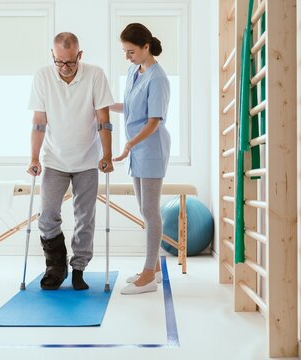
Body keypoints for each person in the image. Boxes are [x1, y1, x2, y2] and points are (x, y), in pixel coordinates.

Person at [27, 32, 114, 290]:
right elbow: (39, 122)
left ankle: (78, 268)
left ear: (80, 56)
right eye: (59, 62)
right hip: (54, 159)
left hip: (88, 160)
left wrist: (107, 154)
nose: (65, 68)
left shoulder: (95, 75)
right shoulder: (43, 76)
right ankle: (56, 265)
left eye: (70, 62)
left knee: (84, 217)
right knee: (47, 216)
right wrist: (34, 156)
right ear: (53, 56)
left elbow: (104, 120)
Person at [110, 23, 171, 295]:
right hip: (137, 149)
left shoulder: (158, 78)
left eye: (131, 51)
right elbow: (130, 107)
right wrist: (103, 105)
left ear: (146, 47)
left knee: (150, 212)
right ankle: (153, 267)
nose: (127, 57)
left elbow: (153, 121)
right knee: (144, 211)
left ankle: (148, 274)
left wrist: (128, 145)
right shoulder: (134, 70)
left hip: (150, 148)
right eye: (125, 52)